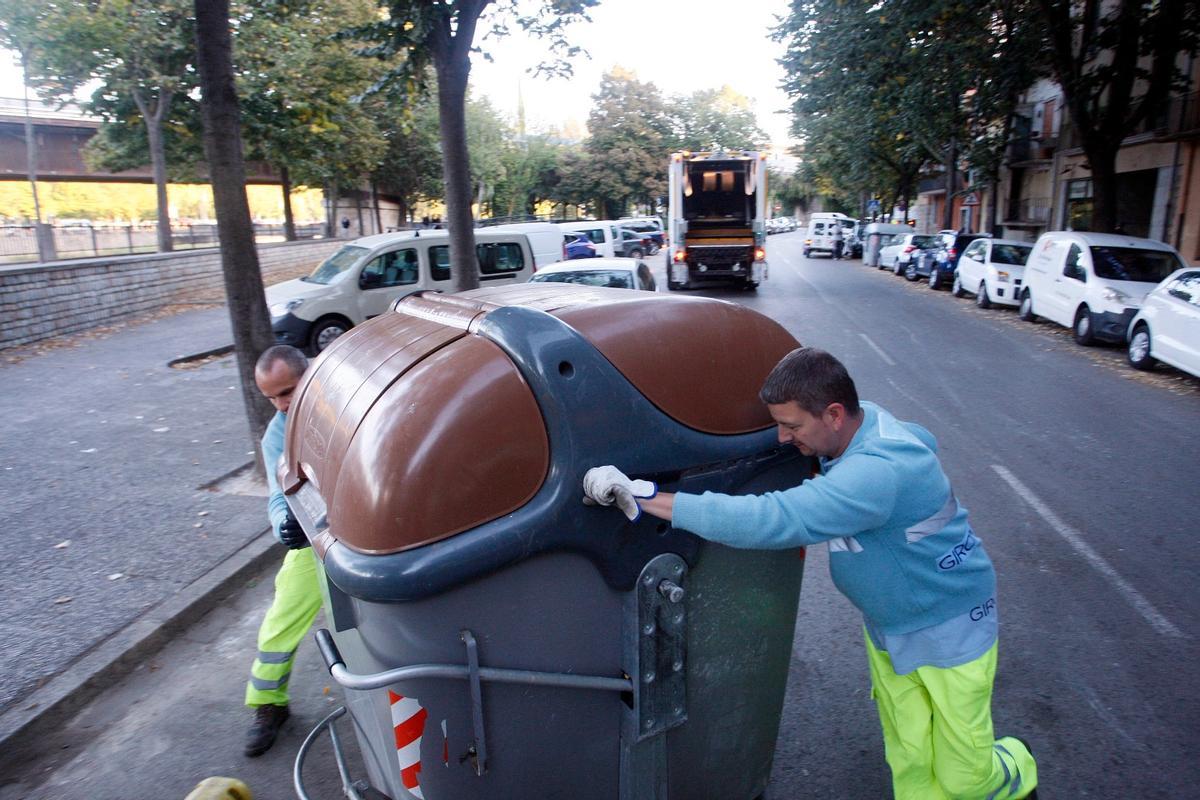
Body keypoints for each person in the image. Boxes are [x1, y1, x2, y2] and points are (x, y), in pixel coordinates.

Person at [582, 347, 1038, 800]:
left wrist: (644, 497)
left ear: (834, 414)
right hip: (891, 626)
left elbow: (771, 520)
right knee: (912, 758)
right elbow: (914, 437)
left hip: (949, 626)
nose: (781, 438)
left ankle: (1017, 764)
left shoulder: (877, 474)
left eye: (792, 426)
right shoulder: (867, 424)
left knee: (966, 777)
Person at [243, 345, 324, 757]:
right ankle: (268, 705)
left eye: (287, 391)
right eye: (272, 397)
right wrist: (283, 524)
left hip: (371, 531)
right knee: (281, 620)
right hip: (317, 538)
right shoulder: (278, 431)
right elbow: (278, 492)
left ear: (308, 371)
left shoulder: (342, 398)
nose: (281, 404)